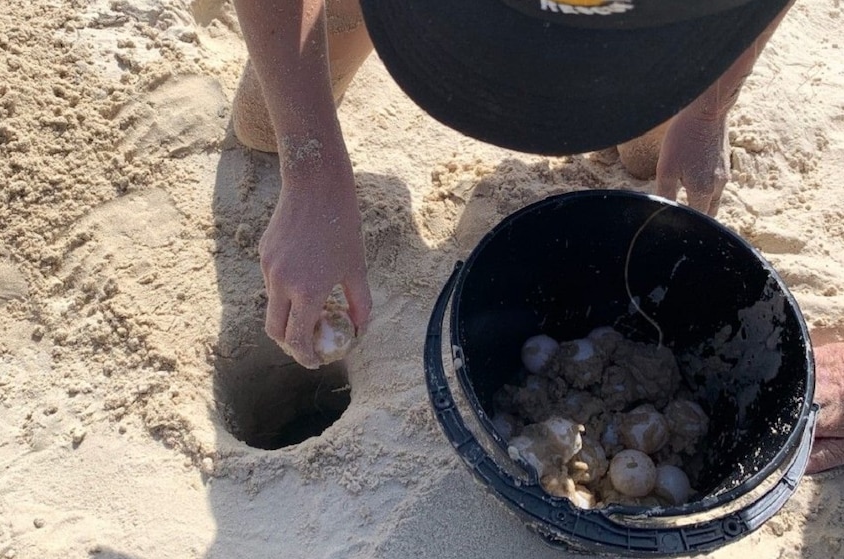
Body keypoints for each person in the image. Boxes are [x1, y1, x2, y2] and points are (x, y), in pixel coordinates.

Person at [229, 0, 844, 474]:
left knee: (648, 157)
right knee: (266, 126)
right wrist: (310, 165)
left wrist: (709, 108)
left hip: (636, 36)